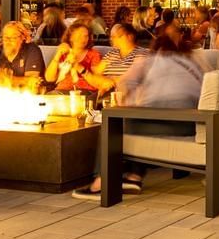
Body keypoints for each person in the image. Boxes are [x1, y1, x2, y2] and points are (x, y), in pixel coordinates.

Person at [72, 24, 204, 200]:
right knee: (134, 123)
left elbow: (127, 86)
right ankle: (134, 177)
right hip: (194, 126)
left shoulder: (149, 61)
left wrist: (131, 100)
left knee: (113, 124)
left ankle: (101, 183)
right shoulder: (193, 63)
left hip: (170, 124)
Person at [45, 23, 107, 93]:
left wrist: (77, 66)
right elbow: (49, 78)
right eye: (79, 36)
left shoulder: (93, 55)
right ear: (71, 37)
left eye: (86, 36)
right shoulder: (64, 53)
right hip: (62, 91)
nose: (83, 39)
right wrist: (58, 54)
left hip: (85, 91)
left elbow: (98, 83)